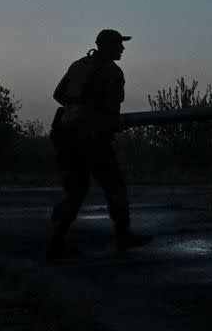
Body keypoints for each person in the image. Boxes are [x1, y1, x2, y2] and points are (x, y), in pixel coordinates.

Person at [46, 29, 152, 259]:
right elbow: (112, 112)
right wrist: (105, 119)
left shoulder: (79, 65)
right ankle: (124, 237)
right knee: (115, 186)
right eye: (118, 45)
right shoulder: (111, 72)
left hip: (66, 135)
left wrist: (79, 108)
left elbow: (58, 94)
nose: (122, 49)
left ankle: (56, 240)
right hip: (92, 139)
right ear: (106, 46)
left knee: (76, 190)